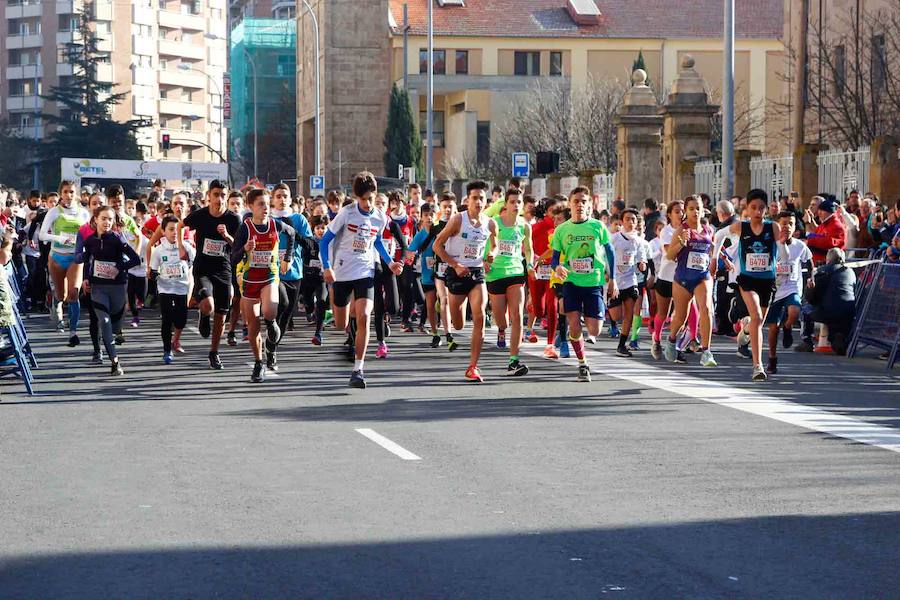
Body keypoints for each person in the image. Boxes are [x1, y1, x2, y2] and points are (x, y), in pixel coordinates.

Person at [319, 172, 402, 388]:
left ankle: (358, 370)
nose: (367, 203)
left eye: (370, 199)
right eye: (363, 199)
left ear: (376, 195)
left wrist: (390, 262)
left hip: (365, 272)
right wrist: (327, 268)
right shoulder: (346, 214)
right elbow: (324, 241)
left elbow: (377, 242)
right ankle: (350, 328)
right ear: (357, 198)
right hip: (341, 273)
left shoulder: (381, 217)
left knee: (365, 315)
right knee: (341, 323)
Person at [550, 187, 617, 382]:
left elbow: (610, 252)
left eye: (584, 201)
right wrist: (557, 268)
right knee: (574, 326)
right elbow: (555, 260)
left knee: (594, 330)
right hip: (571, 282)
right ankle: (582, 364)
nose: (580, 205)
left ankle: (581, 322)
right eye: (576, 201)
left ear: (590, 205)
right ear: (570, 204)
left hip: (593, 282)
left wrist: (612, 278)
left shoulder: (597, 227)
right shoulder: (562, 230)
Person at [231, 189, 295, 383]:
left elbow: (292, 234)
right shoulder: (245, 228)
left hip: (269, 276)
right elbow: (233, 257)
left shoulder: (276, 224)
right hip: (250, 279)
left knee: (269, 309)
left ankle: (272, 323)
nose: (265, 208)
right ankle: (259, 363)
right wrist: (245, 249)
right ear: (250, 207)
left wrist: (288, 258)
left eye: (267, 204)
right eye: (261, 204)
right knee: (252, 327)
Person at [433, 180, 495, 382]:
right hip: (455, 272)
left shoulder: (489, 222)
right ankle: (449, 309)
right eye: (475, 198)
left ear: (486, 201)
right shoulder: (458, 220)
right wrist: (455, 264)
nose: (478, 202)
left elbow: (495, 243)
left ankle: (473, 366)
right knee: (458, 324)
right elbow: (437, 246)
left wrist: (491, 255)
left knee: (479, 317)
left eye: (482, 199)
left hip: (476, 272)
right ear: (467, 200)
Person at [180, 180, 241, 370]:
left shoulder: (233, 219)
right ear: (209, 196)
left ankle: (214, 353)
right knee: (208, 305)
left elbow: (238, 247)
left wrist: (227, 237)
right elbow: (180, 225)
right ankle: (204, 314)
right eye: (216, 195)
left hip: (224, 269)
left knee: (222, 313)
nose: (219, 199)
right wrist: (181, 246)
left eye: (223, 195)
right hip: (203, 268)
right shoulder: (200, 215)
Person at [723, 189, 782, 381]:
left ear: (766, 209)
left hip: (767, 281)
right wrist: (719, 258)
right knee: (756, 316)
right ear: (746, 208)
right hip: (747, 279)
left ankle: (745, 332)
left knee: (758, 322)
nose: (757, 211)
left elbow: (782, 249)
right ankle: (758, 366)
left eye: (761, 208)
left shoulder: (773, 228)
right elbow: (719, 238)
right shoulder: (740, 227)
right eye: (753, 207)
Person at [76, 206, 142, 376]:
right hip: (98, 288)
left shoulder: (118, 239)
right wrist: (85, 279)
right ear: (95, 219)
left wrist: (118, 268)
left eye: (110, 219)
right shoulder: (90, 241)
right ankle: (115, 362)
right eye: (103, 218)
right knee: (103, 322)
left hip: (118, 288)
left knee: (113, 327)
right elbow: (87, 261)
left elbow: (135, 259)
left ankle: (116, 335)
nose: (107, 222)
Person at [485, 188, 534, 376]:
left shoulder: (524, 226)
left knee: (517, 316)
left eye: (518, 202)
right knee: (501, 319)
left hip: (515, 272)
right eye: (512, 202)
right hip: (495, 274)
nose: (515, 205)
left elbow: (529, 249)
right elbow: (483, 245)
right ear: (505, 204)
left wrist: (529, 265)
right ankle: (501, 330)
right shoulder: (494, 223)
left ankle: (514, 360)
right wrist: (483, 262)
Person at [664, 196, 717, 367]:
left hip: (702, 276)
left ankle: (706, 351)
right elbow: (670, 256)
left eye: (698, 208)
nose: (695, 212)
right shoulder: (682, 230)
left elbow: (713, 250)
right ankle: (672, 340)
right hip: (683, 279)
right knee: (680, 318)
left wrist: (724, 259)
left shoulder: (709, 230)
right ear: (686, 211)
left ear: (703, 210)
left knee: (707, 309)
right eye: (692, 209)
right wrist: (681, 243)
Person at [39, 180, 89, 346]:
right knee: (63, 296)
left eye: (72, 192)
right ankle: (55, 301)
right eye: (66, 192)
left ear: (77, 194)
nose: (69, 195)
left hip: (75, 257)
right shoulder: (54, 212)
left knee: (74, 294)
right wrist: (59, 238)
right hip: (57, 257)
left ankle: (73, 333)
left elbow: (89, 234)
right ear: (61, 193)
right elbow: (42, 235)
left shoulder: (83, 213)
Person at [269, 183, 312, 367]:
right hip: (272, 273)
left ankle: (271, 349)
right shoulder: (268, 218)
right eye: (278, 196)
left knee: (286, 316)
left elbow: (310, 245)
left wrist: (293, 231)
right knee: (282, 303)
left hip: (294, 273)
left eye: (285, 196)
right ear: (272, 199)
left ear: (290, 198)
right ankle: (270, 330)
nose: (282, 199)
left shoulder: (299, 219)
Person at [764, 211, 813, 373]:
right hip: (774, 290)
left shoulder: (799, 245)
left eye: (790, 224)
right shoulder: (770, 243)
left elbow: (809, 260)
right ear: (777, 225)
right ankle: (772, 359)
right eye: (783, 223)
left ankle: (788, 326)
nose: (787, 227)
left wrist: (811, 278)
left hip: (792, 287)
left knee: (794, 311)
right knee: (772, 328)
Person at [150, 215, 195, 364]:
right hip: (165, 289)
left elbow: (194, 263)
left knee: (181, 321)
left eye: (177, 230)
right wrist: (154, 274)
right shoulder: (158, 250)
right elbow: (153, 270)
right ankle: (167, 350)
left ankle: (176, 338)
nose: (174, 233)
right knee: (167, 320)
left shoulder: (187, 247)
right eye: (170, 229)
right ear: (163, 232)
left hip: (182, 288)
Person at [609, 208, 647, 358]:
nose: (630, 222)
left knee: (629, 315)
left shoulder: (638, 241)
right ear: (622, 222)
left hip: (631, 280)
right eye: (627, 219)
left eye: (633, 220)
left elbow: (641, 258)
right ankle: (608, 307)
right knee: (616, 315)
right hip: (615, 281)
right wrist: (607, 273)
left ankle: (621, 345)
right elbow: (606, 255)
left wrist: (642, 264)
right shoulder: (615, 238)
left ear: (636, 223)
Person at [803, 248, 856, 355]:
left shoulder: (822, 271)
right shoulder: (850, 272)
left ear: (828, 259)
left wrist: (809, 288)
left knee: (805, 309)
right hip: (848, 311)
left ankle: (807, 341)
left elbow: (811, 297)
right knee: (836, 309)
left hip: (827, 312)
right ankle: (839, 337)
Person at [649, 200, 684, 360]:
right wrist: (683, 243)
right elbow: (670, 252)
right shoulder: (667, 232)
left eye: (683, 211)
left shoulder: (689, 230)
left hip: (683, 279)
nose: (681, 214)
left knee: (681, 315)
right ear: (669, 214)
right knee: (662, 314)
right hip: (665, 277)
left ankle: (676, 345)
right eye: (677, 211)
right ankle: (656, 340)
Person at [299, 216, 329, 345]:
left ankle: (318, 333)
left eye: (323, 228)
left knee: (322, 301)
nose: (321, 231)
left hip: (321, 278)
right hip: (307, 277)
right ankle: (310, 312)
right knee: (308, 302)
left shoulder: (330, 242)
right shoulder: (309, 241)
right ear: (313, 229)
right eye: (318, 228)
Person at [803, 196, 846, 265]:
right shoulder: (825, 223)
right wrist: (810, 221)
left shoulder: (836, 226)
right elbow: (815, 233)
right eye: (819, 210)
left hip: (828, 264)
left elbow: (830, 243)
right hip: (819, 261)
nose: (819, 213)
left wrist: (808, 224)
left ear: (829, 212)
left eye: (822, 211)